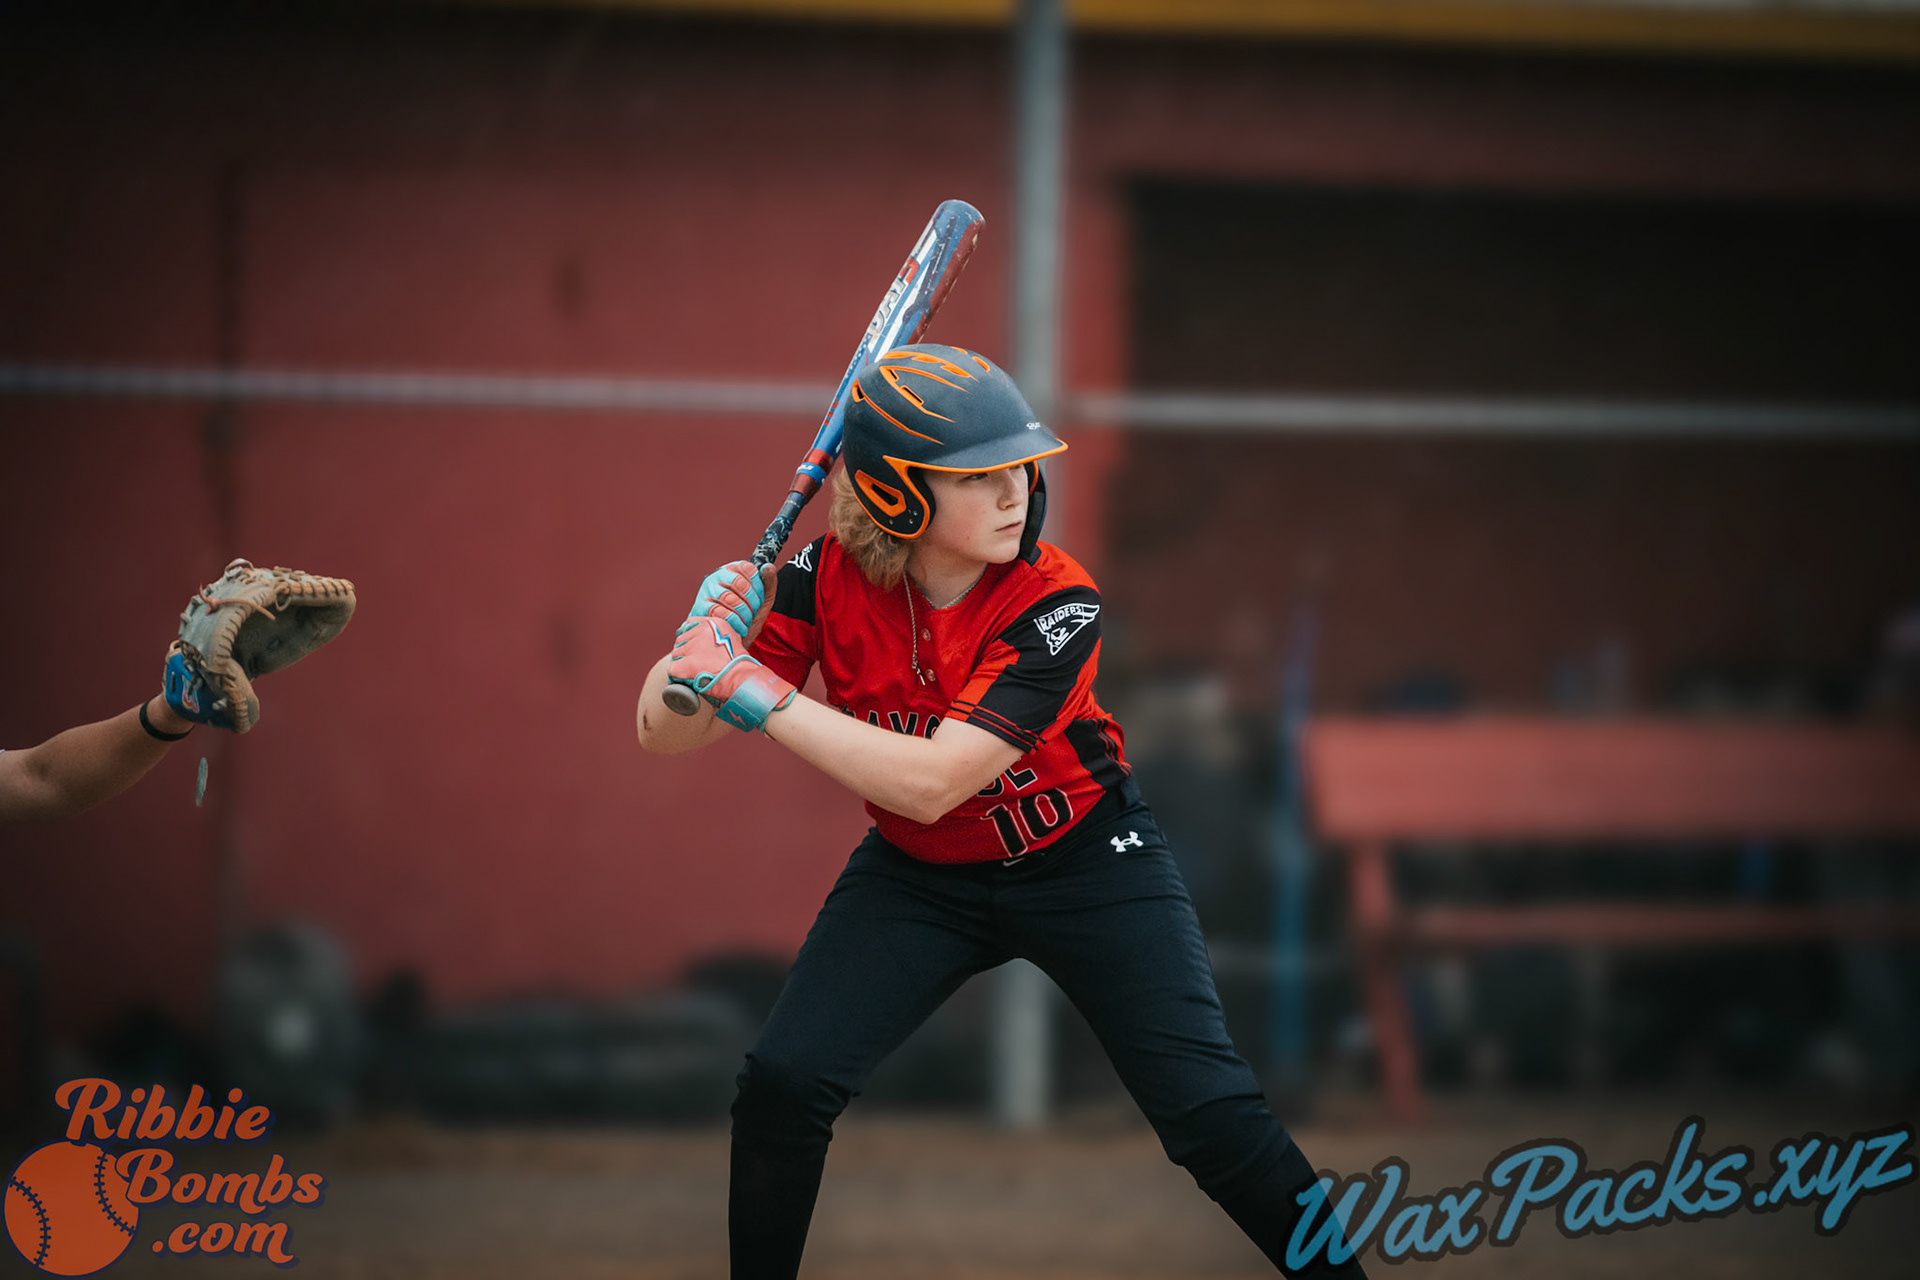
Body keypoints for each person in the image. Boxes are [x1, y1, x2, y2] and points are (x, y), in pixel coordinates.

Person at [637, 344, 1364, 1279]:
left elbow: (935, 782)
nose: (1016, 491)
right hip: (920, 876)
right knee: (782, 1086)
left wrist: (757, 692)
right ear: (898, 494)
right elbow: (664, 734)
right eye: (978, 477)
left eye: (1019, 467)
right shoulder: (823, 580)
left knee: (1210, 1113)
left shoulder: (1056, 602)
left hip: (1087, 859)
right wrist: (695, 650)